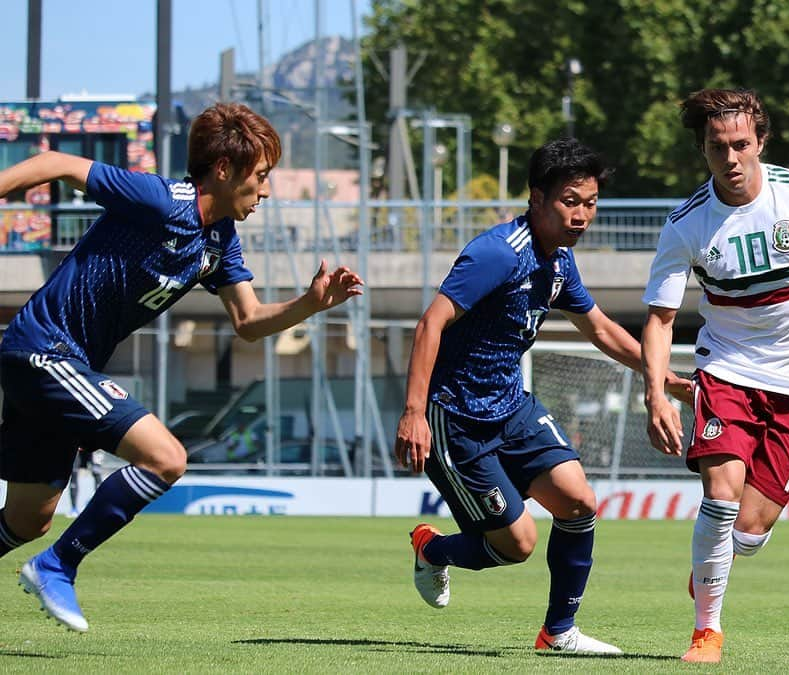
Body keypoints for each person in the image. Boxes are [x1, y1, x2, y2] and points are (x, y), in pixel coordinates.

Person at [0, 102, 363, 632]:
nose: (265, 191)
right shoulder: (161, 199)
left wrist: (310, 304)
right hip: (43, 349)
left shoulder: (218, 240)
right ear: (224, 170)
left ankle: (47, 551)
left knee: (27, 519)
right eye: (261, 176)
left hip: (62, 364)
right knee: (166, 458)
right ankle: (59, 564)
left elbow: (248, 319)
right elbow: (55, 161)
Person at [395, 138, 693, 656]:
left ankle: (559, 632)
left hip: (511, 407)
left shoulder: (558, 262)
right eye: (570, 201)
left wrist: (663, 377)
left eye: (591, 202)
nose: (582, 215)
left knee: (579, 501)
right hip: (456, 419)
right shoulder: (496, 253)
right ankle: (432, 549)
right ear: (537, 198)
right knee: (517, 546)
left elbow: (600, 329)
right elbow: (431, 323)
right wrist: (415, 413)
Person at [640, 88, 789, 663]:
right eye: (719, 147)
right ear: (703, 151)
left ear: (761, 142)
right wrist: (655, 395)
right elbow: (661, 318)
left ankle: (710, 568)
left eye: (742, 143)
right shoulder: (686, 225)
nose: (732, 157)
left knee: (749, 534)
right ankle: (706, 631)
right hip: (728, 369)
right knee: (719, 494)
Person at [67, 449, 104, 518]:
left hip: (95, 449)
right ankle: (73, 509)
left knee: (97, 474)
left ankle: (100, 507)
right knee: (74, 474)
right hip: (78, 449)